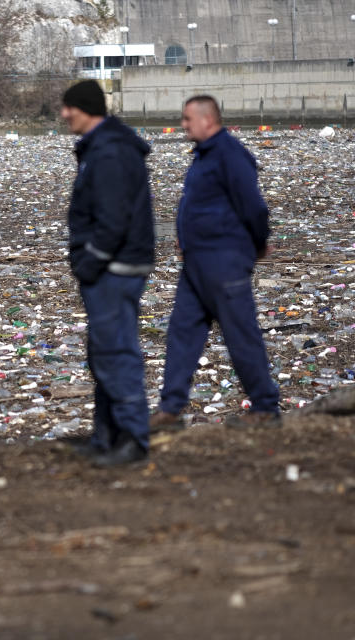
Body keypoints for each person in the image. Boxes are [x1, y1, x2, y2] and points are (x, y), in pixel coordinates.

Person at [149, 95, 280, 431]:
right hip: (196, 264)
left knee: (240, 334)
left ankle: (265, 407)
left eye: (187, 118)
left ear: (208, 119)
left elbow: (253, 205)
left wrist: (258, 241)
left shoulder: (229, 154)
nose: (183, 124)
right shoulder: (203, 157)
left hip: (224, 260)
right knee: (182, 332)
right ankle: (170, 409)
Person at [61, 80, 155, 466]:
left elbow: (114, 218)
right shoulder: (102, 147)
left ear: (86, 109)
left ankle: (133, 438)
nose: (65, 115)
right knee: (103, 351)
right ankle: (107, 435)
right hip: (110, 267)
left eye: (70, 108)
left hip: (115, 268)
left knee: (116, 351)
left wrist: (90, 260)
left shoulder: (111, 152)